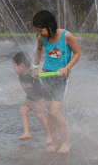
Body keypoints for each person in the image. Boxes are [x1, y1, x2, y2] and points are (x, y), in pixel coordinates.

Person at [32, 10, 81, 153]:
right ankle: (54, 142)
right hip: (47, 76)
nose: (40, 34)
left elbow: (78, 53)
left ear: (50, 25)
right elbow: (38, 49)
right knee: (49, 111)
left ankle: (66, 142)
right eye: (37, 31)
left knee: (55, 110)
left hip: (62, 78)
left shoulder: (67, 36)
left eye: (41, 30)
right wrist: (36, 67)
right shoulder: (41, 38)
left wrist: (66, 68)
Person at [12, 51, 51, 143]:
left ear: (21, 66)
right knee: (22, 112)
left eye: (14, 66)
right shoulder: (21, 75)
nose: (14, 69)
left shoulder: (33, 74)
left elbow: (43, 76)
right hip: (29, 98)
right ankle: (27, 132)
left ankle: (50, 135)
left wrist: (40, 72)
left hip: (39, 99)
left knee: (40, 116)